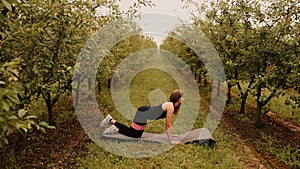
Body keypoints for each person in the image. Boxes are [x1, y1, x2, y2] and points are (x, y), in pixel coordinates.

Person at [100, 89, 184, 145]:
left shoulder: (171, 105)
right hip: (143, 113)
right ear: (178, 98)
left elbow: (168, 124)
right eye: (182, 97)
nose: (183, 99)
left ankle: (115, 129)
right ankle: (110, 120)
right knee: (134, 134)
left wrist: (171, 137)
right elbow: (168, 125)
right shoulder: (170, 106)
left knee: (136, 134)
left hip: (144, 114)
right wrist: (171, 141)